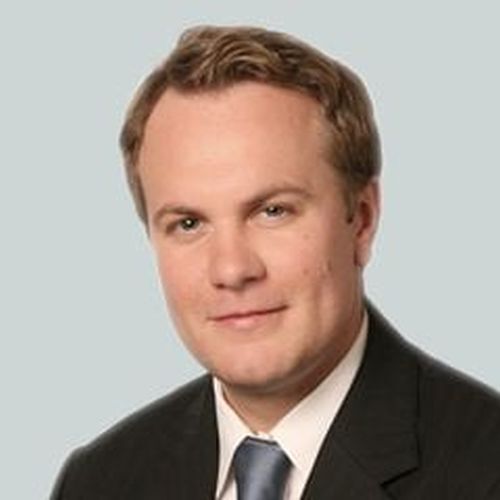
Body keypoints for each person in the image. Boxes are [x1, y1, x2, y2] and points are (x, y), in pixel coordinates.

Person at [50, 25, 500, 499]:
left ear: (362, 220)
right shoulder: (98, 482)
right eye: (188, 224)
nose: (231, 270)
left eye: (272, 211)